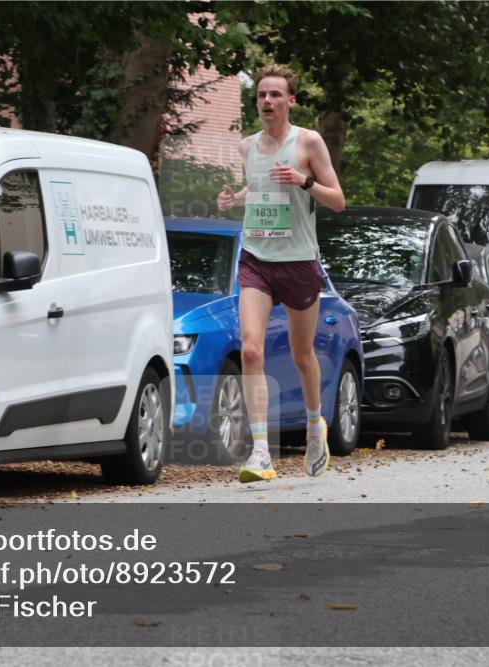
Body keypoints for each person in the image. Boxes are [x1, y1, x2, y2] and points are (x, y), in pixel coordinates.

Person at [217, 63, 345, 483]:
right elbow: (259, 191)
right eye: (261, 95)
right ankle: (259, 453)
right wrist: (232, 200)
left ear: (291, 101)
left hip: (298, 260)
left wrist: (303, 181)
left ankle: (314, 427)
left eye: (275, 95)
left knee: (301, 355)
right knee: (251, 351)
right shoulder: (245, 147)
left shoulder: (308, 142)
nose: (267, 101)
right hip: (256, 258)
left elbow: (338, 202)